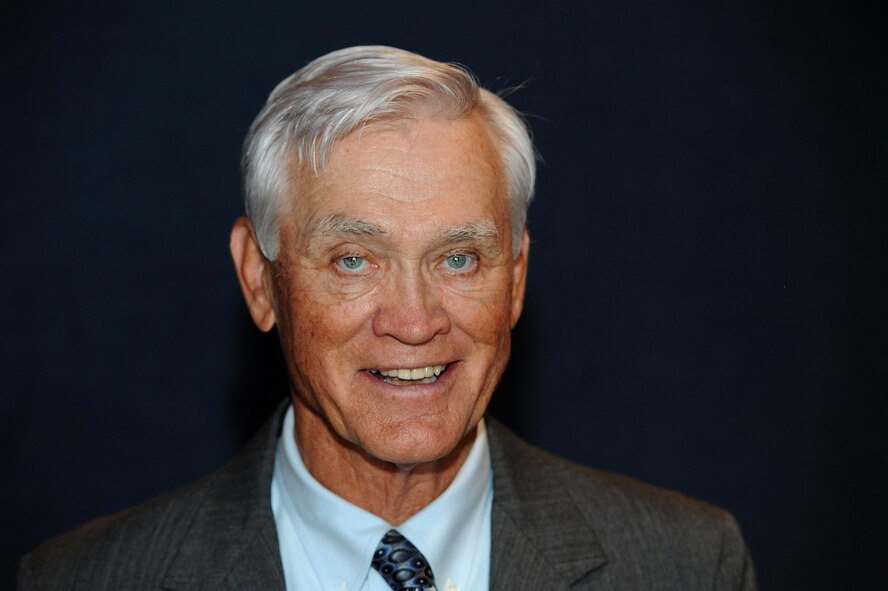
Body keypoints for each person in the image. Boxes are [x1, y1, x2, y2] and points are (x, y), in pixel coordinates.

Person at [18, 46, 757, 591]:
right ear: (260, 279)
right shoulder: (85, 578)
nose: (413, 319)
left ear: (517, 277)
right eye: (352, 259)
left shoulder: (688, 565)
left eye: (460, 257)